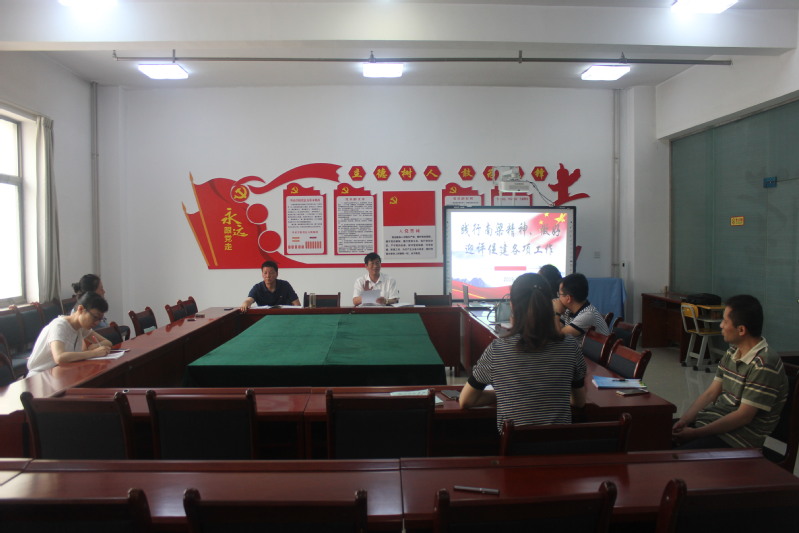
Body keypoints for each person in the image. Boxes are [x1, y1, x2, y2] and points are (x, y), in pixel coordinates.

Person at [459, 273, 586, 431]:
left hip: (514, 445)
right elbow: (579, 402)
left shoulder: (498, 349)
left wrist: (508, 393)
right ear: (551, 304)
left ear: (512, 306)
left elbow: (466, 400)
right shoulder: (570, 346)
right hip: (558, 444)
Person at [672, 294, 788, 449]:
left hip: (737, 440)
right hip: (712, 424)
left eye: (725, 321)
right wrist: (684, 420)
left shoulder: (764, 364)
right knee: (653, 434)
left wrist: (696, 433)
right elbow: (710, 393)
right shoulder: (733, 352)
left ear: (741, 330)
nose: (721, 325)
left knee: (675, 455)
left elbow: (743, 416)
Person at [27, 292, 112, 375]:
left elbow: (107, 342)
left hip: (62, 372)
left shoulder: (81, 327)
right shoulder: (59, 325)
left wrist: (94, 347)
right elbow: (59, 357)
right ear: (81, 309)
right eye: (95, 317)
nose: (97, 323)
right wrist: (94, 353)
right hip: (41, 375)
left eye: (100, 319)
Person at [553, 272, 610, 339]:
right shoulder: (568, 310)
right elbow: (556, 328)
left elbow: (558, 336)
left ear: (568, 298)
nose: (558, 298)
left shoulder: (587, 315)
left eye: (559, 294)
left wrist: (557, 313)